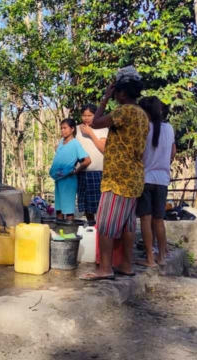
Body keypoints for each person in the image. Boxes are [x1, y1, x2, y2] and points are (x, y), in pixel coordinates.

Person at [79, 66, 149, 281]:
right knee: (128, 226)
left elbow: (96, 123)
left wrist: (104, 99)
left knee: (106, 224)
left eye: (116, 91)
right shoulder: (142, 115)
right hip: (135, 177)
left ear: (122, 93)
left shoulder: (124, 111)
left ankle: (106, 268)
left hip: (118, 178)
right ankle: (126, 265)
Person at [135, 96, 176, 268]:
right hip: (162, 180)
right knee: (158, 220)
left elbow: (137, 153)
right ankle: (162, 255)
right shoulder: (169, 128)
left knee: (145, 219)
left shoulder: (143, 128)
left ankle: (150, 259)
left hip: (145, 178)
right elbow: (173, 152)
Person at [50, 118, 91, 221]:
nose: (63, 130)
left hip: (68, 181)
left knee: (68, 210)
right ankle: (60, 233)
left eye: (65, 128)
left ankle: (69, 233)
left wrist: (76, 171)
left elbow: (87, 160)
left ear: (72, 129)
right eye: (61, 128)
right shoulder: (61, 142)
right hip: (59, 180)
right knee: (58, 209)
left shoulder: (75, 144)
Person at [76, 103, 109, 225]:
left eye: (90, 115)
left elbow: (104, 149)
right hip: (82, 170)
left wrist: (91, 133)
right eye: (84, 115)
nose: (86, 118)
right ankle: (90, 224)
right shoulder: (77, 129)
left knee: (98, 202)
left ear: (96, 115)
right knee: (85, 203)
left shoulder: (102, 129)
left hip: (97, 170)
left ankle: (100, 227)